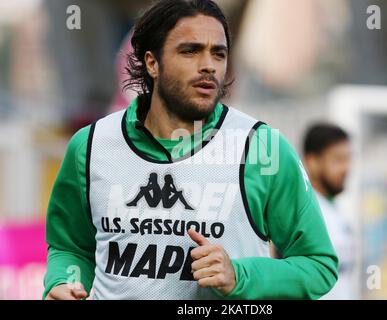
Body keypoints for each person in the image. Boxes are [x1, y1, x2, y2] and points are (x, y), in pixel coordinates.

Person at [43, 0, 337, 300]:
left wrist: (240, 276)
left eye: (218, 54)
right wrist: (63, 282)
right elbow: (71, 248)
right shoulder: (90, 145)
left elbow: (318, 265)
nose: (209, 65)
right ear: (152, 62)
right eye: (190, 51)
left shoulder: (262, 148)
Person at [303, 123, 357, 300]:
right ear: (312, 162)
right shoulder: (303, 213)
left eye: (348, 159)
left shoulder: (334, 210)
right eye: (338, 160)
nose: (346, 168)